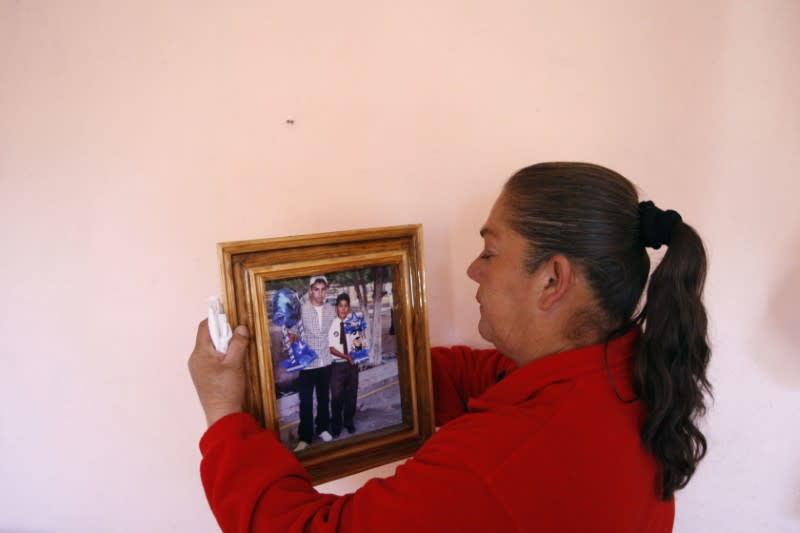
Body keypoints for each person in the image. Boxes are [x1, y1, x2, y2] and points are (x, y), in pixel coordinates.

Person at [189, 162, 711, 532]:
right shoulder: (628, 371)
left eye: (490, 251)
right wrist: (399, 369)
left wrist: (223, 414)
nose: (472, 270)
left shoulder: (493, 465)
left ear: (552, 281)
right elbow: (490, 378)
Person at [294, 275, 337, 451]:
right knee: (305, 401)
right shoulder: (302, 310)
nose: (320, 293)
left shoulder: (330, 310)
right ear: (311, 289)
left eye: (323, 289)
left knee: (323, 398)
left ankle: (323, 428)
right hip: (307, 363)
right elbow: (292, 331)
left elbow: (335, 333)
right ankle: (304, 437)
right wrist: (290, 338)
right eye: (316, 289)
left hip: (325, 361)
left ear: (326, 290)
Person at [327, 293, 365, 437]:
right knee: (336, 396)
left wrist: (358, 353)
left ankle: (349, 422)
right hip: (337, 366)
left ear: (348, 308)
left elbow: (358, 344)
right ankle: (336, 425)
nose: (343, 309)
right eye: (340, 306)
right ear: (336, 308)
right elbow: (330, 348)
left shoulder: (353, 322)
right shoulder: (331, 324)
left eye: (345, 306)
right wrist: (346, 356)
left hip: (351, 366)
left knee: (351, 395)